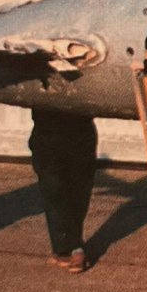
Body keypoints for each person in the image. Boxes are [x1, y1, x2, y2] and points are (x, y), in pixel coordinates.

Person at [29, 108, 98, 273]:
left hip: (79, 128)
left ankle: (74, 248)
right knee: (52, 188)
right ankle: (64, 247)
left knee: (78, 186)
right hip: (46, 128)